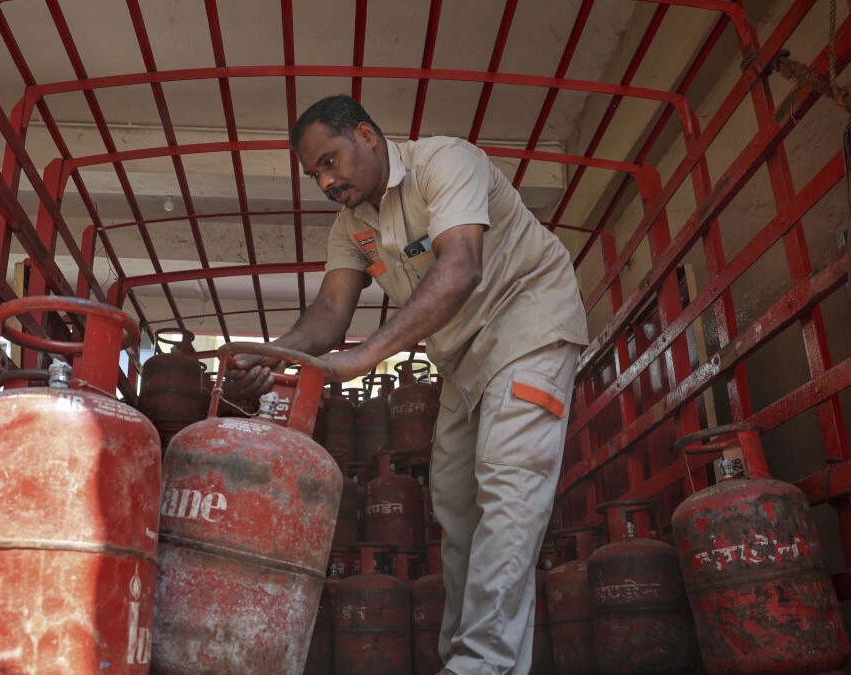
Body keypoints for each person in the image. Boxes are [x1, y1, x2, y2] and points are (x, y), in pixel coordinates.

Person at [226, 94, 588, 675]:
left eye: (330, 161)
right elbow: (329, 314)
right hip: (464, 362)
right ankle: (463, 655)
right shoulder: (351, 226)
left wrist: (368, 356)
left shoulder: (446, 163)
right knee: (452, 498)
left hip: (529, 329)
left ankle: (484, 663)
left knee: (508, 482)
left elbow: (460, 265)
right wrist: (273, 354)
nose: (325, 180)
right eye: (314, 172)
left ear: (367, 135)